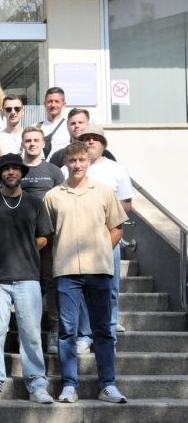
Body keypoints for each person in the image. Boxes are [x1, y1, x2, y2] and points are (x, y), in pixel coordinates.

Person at [43, 142, 128, 404]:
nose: (77, 165)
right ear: (65, 164)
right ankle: (69, 384)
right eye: (72, 161)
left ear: (88, 161)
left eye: (81, 160)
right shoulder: (53, 196)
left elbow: (117, 227)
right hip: (67, 272)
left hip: (99, 270)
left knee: (103, 330)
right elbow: (47, 234)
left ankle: (108, 385)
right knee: (68, 331)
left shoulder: (103, 192)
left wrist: (103, 249)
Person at [0, 154, 55, 405]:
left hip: (28, 277)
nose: (11, 172)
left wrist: (26, 250)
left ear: (22, 173)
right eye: (6, 169)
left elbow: (44, 236)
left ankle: (37, 384)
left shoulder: (34, 203)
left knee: (31, 333)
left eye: (15, 169)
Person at [76, 125, 133, 343]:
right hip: (78, 239)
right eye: (86, 138)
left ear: (103, 144)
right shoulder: (71, 168)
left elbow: (127, 203)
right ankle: (85, 333)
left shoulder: (116, 169)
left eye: (95, 139)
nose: (91, 142)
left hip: (109, 236)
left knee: (110, 288)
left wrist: (104, 210)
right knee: (81, 289)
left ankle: (108, 332)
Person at [19, 127, 65, 354]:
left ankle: (54, 332)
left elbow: (62, 205)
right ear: (22, 143)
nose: (32, 144)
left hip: (48, 237)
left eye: (36, 140)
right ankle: (29, 332)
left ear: (43, 144)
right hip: (21, 240)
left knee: (51, 283)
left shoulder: (54, 171)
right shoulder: (16, 170)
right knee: (26, 286)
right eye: (28, 140)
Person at [48, 108, 117, 168]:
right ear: (67, 126)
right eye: (73, 123)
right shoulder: (59, 156)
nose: (77, 126)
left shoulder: (104, 154)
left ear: (88, 125)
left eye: (80, 122)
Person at [38, 86, 67, 159]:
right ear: (44, 104)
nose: (53, 105)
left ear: (64, 104)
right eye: (50, 101)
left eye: (57, 101)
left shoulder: (69, 127)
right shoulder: (36, 127)